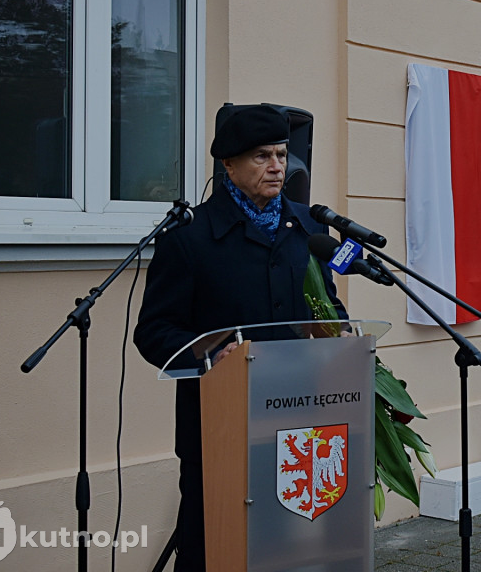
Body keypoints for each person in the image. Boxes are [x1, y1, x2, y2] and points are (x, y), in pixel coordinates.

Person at [133, 105, 347, 572]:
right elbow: (153, 331)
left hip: (299, 423)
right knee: (212, 547)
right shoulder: (190, 238)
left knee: (293, 547)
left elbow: (327, 309)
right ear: (227, 164)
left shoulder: (308, 230)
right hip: (220, 427)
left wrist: (339, 341)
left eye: (281, 154)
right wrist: (211, 352)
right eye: (261, 156)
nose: (276, 167)